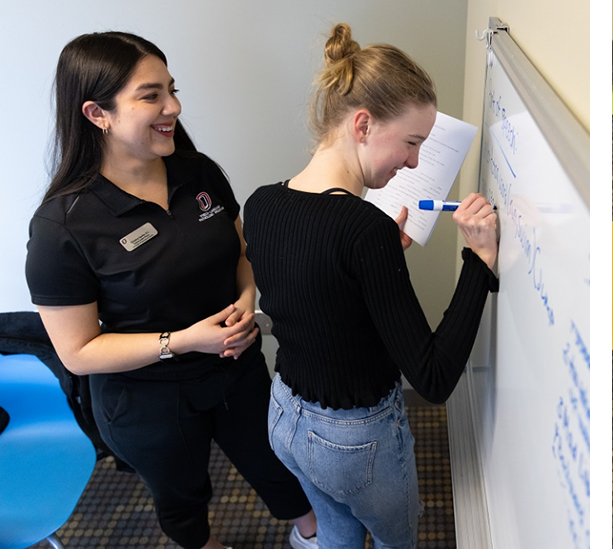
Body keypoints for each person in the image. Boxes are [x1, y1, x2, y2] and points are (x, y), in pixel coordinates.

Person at [24, 31, 317, 549]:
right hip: (146, 398)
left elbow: (240, 254)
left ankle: (314, 532)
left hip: (234, 366)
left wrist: (247, 298)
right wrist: (180, 341)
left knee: (279, 463)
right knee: (180, 494)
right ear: (98, 114)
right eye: (151, 95)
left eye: (171, 89)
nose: (174, 107)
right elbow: (78, 352)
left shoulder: (197, 171)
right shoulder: (62, 227)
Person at [242, 23, 498, 548]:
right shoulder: (366, 230)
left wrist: (374, 268)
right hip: (353, 443)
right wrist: (480, 262)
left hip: (284, 416)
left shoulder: (261, 201)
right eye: (411, 143)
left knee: (335, 531)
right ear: (363, 124)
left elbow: (313, 300)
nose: (414, 163)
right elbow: (432, 377)